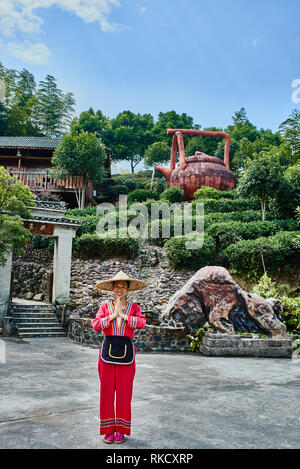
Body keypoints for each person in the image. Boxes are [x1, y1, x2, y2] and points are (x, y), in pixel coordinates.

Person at [91, 270, 147, 444]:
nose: (119, 289)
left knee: (124, 394)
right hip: (106, 353)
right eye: (117, 286)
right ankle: (108, 430)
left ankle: (121, 430)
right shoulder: (105, 307)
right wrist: (113, 316)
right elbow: (95, 325)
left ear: (128, 289)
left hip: (127, 353)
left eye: (123, 286)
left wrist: (123, 316)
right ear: (112, 288)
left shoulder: (134, 307)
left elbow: (142, 323)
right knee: (106, 393)